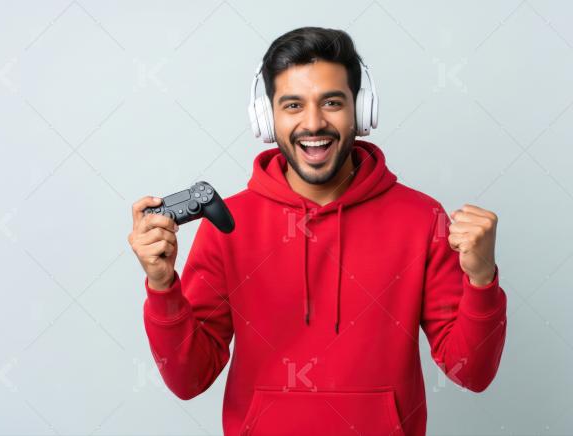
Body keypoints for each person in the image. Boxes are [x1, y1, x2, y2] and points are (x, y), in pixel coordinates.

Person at [127, 26, 507, 436]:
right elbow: (189, 380)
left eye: (331, 102)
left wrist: (482, 279)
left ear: (361, 112)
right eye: (293, 105)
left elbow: (472, 373)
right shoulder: (228, 224)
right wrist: (163, 286)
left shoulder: (422, 218)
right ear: (266, 117)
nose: (313, 123)